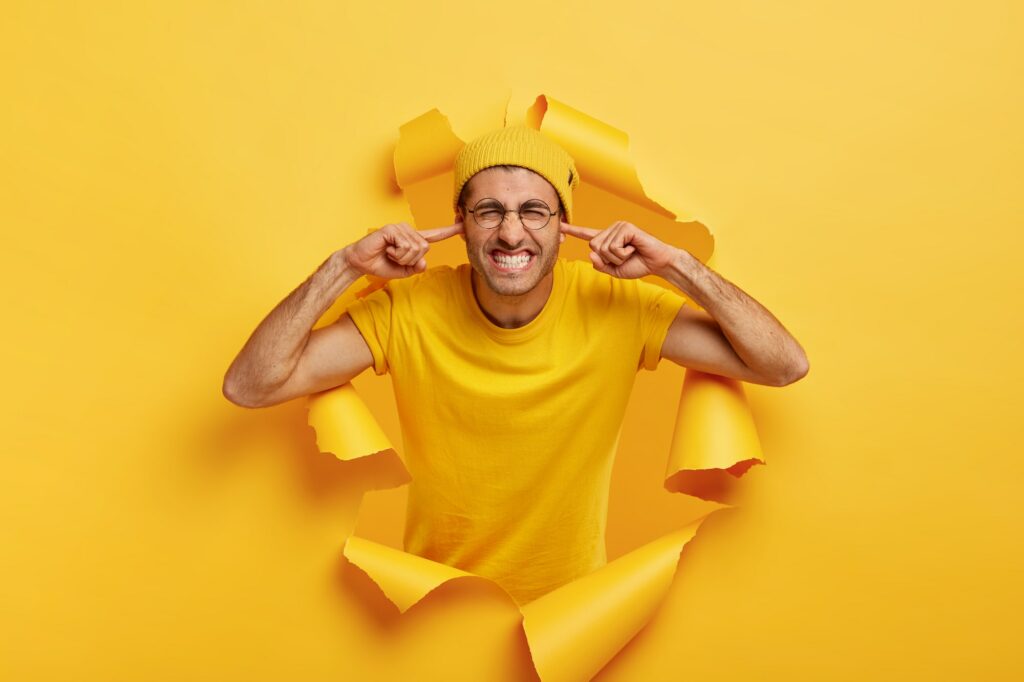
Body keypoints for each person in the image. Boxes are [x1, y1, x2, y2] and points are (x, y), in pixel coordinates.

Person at [223, 125, 809, 605]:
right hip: (436, 618)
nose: (511, 233)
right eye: (488, 212)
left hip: (573, 623)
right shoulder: (409, 308)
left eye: (534, 212)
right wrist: (345, 266)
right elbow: (251, 385)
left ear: (563, 224)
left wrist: (676, 265)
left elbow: (782, 365)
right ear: (460, 223)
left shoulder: (618, 304)